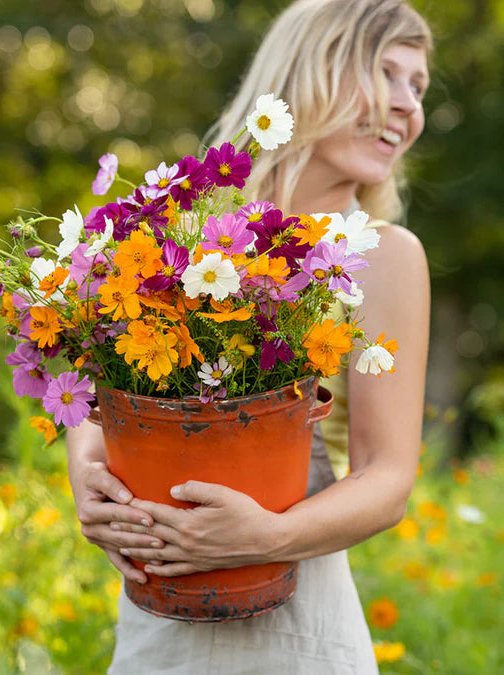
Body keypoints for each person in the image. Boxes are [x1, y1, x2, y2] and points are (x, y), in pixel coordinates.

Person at [66, 0, 432, 671]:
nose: (407, 104)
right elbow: (101, 394)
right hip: (158, 610)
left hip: (295, 627)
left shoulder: (383, 254)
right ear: (309, 70)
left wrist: (270, 535)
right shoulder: (179, 228)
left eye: (418, 86)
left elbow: (389, 477)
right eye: (384, 72)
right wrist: (87, 477)